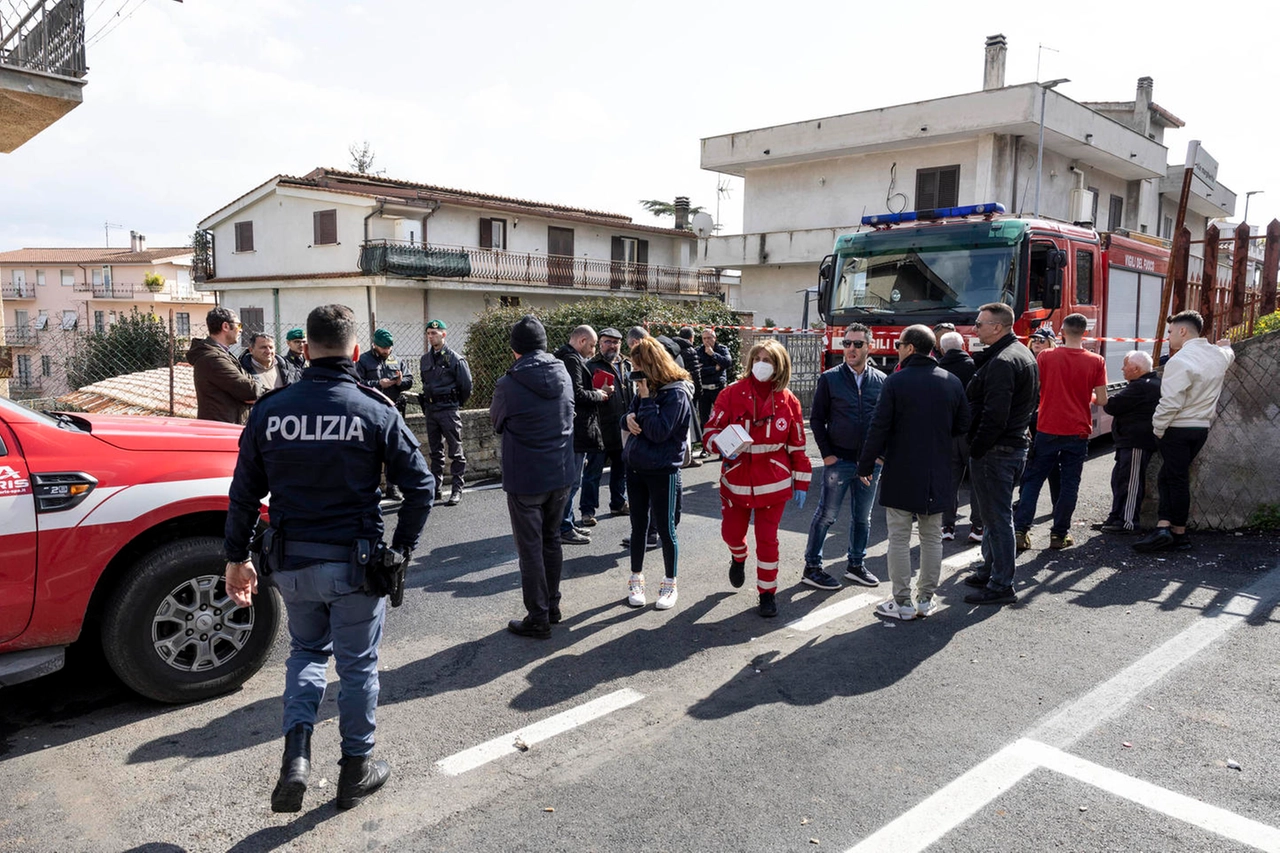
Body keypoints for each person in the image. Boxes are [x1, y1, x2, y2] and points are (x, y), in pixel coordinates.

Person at [222, 304, 435, 813]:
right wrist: (400, 553)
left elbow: (243, 495)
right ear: (354, 348)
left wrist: (235, 558)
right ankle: (355, 771)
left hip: (292, 566)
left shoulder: (271, 410)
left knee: (305, 655)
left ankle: (296, 760)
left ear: (307, 347)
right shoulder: (375, 408)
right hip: (354, 567)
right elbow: (422, 486)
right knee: (358, 667)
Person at [858, 325, 969, 620]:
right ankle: (925, 599)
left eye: (898, 344)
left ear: (909, 348)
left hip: (901, 469)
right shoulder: (952, 381)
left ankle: (903, 602)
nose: (896, 348)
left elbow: (878, 427)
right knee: (932, 536)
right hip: (938, 470)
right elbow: (962, 426)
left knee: (898, 537)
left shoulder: (896, 382)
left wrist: (866, 464)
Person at [703, 338, 812, 618]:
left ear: (779, 366)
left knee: (768, 539)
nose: (761, 365)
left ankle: (767, 593)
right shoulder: (730, 394)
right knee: (731, 534)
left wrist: (801, 482)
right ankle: (738, 557)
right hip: (735, 480)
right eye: (757, 359)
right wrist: (722, 446)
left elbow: (798, 448)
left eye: (768, 360)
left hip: (773, 483)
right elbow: (709, 432)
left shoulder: (790, 402)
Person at [491, 316, 578, 637]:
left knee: (530, 549)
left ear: (515, 349)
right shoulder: (565, 375)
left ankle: (538, 616)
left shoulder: (508, 383)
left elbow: (497, 422)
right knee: (551, 540)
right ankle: (552, 606)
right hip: (561, 473)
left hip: (526, 477)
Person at [1134, 311, 1235, 553]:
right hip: (1200, 429)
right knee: (1169, 476)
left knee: (1176, 479)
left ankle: (1178, 534)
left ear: (1182, 331)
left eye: (1170, 332)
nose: (1167, 337)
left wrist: (1157, 428)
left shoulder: (1178, 361)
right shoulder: (1218, 355)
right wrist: (1227, 346)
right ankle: (1164, 527)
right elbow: (1228, 354)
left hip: (1176, 429)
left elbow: (1170, 402)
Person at [962, 302, 1038, 606]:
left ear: (998, 326)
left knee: (998, 518)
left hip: (999, 449)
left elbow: (996, 414)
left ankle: (1001, 583)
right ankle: (991, 570)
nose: (975, 328)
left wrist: (977, 447)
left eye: (980, 324)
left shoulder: (1005, 360)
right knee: (996, 517)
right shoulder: (1018, 354)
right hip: (1010, 446)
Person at [801, 323, 885, 590]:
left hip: (870, 464)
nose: (850, 348)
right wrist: (827, 455)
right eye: (846, 343)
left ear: (868, 347)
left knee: (863, 517)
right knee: (827, 515)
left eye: (857, 344)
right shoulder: (830, 378)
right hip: (840, 461)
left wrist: (880, 456)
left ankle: (856, 564)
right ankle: (812, 566)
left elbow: (886, 422)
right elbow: (816, 419)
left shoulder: (882, 381)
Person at [1014, 313, 1108, 552]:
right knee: (1069, 484)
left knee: (1033, 480)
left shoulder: (1046, 356)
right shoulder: (1096, 360)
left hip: (1047, 426)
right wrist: (1087, 395)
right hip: (1077, 430)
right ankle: (1059, 535)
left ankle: (1021, 531)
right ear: (1085, 332)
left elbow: (1035, 388)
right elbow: (1103, 399)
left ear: (1062, 332)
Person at [621, 337, 694, 610]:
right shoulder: (645, 388)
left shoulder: (676, 393)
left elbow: (658, 432)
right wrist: (626, 419)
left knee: (665, 529)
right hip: (636, 466)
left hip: (662, 470)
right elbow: (630, 416)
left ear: (651, 365)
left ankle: (669, 583)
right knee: (638, 526)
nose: (635, 372)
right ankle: (636, 578)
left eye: (639, 366)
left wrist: (646, 400)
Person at [555, 325, 613, 544]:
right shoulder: (571, 360)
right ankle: (564, 528)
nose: (593, 349)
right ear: (580, 341)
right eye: (591, 345)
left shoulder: (567, 358)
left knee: (572, 481)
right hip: (576, 429)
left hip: (573, 427)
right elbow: (577, 394)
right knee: (572, 482)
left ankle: (567, 523)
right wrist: (599, 394)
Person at [1099, 350, 1160, 533]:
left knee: (1131, 483)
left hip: (1136, 442)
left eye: (1125, 365)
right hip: (1128, 441)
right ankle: (1116, 516)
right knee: (1120, 480)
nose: (1122, 369)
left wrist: (1099, 396)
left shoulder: (1141, 387)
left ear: (1135, 368)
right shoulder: (1146, 384)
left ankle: (1128, 521)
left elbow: (1113, 405)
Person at [418, 319, 472, 507]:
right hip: (432, 411)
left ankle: (457, 489)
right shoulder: (425, 359)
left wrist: (455, 404)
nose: (431, 336)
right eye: (429, 333)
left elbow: (466, 386)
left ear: (444, 334)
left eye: (435, 332)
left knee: (455, 451)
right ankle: (436, 489)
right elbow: (425, 383)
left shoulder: (455, 359)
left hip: (448, 409)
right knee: (435, 452)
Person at [582, 327, 631, 524]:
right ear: (600, 344)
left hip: (622, 426)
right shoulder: (591, 366)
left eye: (615, 342)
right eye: (607, 342)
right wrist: (598, 392)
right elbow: (583, 396)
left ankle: (618, 503)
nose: (612, 345)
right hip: (599, 427)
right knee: (593, 472)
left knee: (621, 469)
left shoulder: (627, 364)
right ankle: (587, 511)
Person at [937, 330, 979, 541]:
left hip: (947, 433)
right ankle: (977, 527)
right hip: (972, 432)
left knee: (949, 481)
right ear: (964, 346)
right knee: (977, 482)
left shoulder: (937, 370)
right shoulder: (976, 367)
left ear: (942, 349)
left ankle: (947, 527)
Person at [187, 306, 261, 424]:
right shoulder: (212, 358)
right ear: (225, 326)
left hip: (228, 426)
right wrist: (255, 389)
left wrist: (254, 388)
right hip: (221, 430)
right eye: (239, 325)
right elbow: (250, 391)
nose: (241, 330)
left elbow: (250, 387)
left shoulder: (224, 355)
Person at [1023, 325, 1061, 513]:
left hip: (1047, 418)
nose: (1037, 343)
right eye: (1035, 339)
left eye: (1042, 340)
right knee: (1029, 462)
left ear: (1051, 342)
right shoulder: (1026, 359)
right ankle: (1024, 501)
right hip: (1029, 417)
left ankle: (1057, 503)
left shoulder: (1054, 361)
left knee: (1052, 465)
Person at [356, 328, 414, 419]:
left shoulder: (397, 361)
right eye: (383, 348)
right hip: (371, 409)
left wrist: (400, 382)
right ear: (374, 345)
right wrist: (378, 384)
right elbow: (357, 383)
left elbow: (409, 380)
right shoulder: (363, 360)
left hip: (393, 408)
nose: (386, 351)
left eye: (389, 347)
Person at [696, 328, 733, 458]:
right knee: (704, 419)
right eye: (704, 338)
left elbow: (727, 363)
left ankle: (723, 448)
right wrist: (715, 368)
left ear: (714, 338)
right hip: (704, 390)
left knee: (722, 418)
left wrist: (713, 355)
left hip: (718, 389)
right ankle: (705, 447)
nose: (707, 341)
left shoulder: (721, 349)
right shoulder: (698, 351)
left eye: (709, 338)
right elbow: (698, 370)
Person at [673, 326, 703, 466]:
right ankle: (688, 458)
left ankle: (681, 454)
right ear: (692, 338)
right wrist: (698, 391)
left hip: (675, 390)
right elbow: (696, 373)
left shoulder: (672, 348)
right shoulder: (690, 350)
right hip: (688, 391)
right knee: (688, 425)